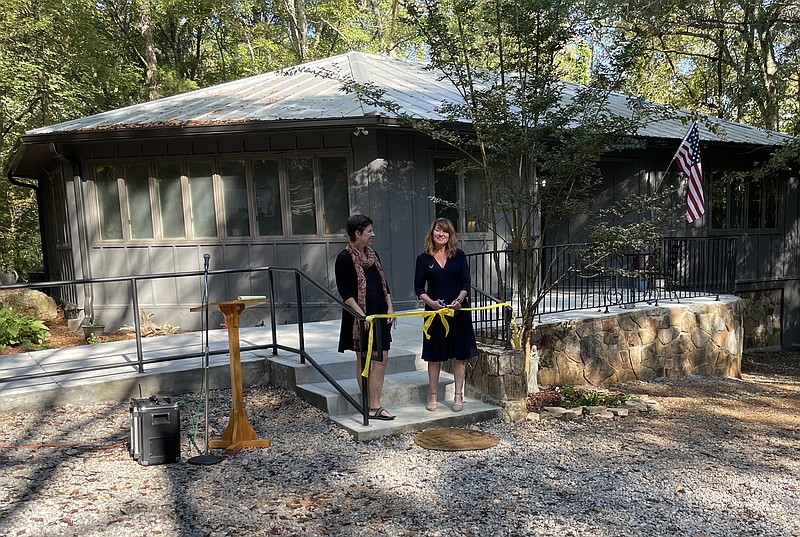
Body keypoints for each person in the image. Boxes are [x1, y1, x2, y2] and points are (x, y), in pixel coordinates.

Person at [335, 215, 396, 420]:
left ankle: (374, 404)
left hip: (379, 314)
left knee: (383, 356)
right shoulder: (344, 258)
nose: (373, 235)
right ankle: (368, 404)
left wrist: (390, 307)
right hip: (359, 318)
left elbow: (384, 284)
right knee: (364, 358)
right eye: (369, 231)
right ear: (357, 234)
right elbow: (345, 292)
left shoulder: (373, 255)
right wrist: (362, 316)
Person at [414, 217, 478, 412]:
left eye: (445, 231)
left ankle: (458, 396)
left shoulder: (458, 256)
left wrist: (459, 300)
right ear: (432, 233)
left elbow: (466, 283)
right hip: (434, 314)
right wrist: (431, 303)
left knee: (460, 356)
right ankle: (433, 396)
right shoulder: (423, 259)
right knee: (435, 357)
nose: (441, 234)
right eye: (438, 230)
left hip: (458, 313)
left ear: (450, 235)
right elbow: (418, 288)